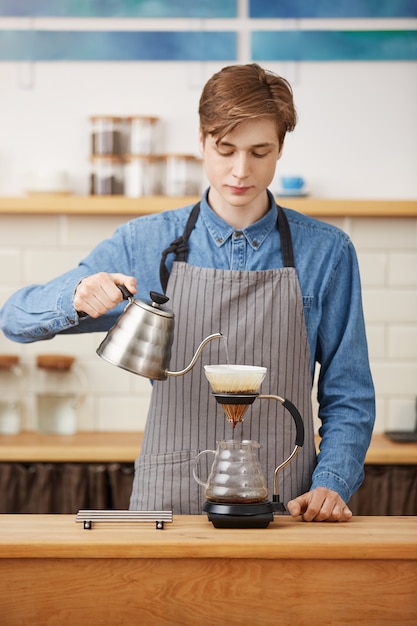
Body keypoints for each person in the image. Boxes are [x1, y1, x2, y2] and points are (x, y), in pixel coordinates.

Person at [0, 63, 375, 522]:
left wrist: (331, 483)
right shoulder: (145, 242)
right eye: (225, 149)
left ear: (280, 149)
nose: (241, 170)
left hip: (284, 506)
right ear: (201, 140)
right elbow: (14, 319)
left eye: (260, 152)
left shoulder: (328, 252)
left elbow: (349, 394)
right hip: (168, 505)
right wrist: (77, 295)